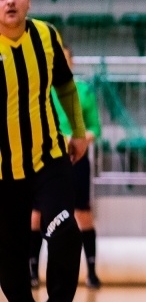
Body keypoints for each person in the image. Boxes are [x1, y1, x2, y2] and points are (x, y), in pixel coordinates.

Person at [0, 0, 87, 302]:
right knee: (10, 248)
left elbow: (66, 86)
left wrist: (79, 132)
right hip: (3, 169)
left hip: (49, 157)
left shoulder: (47, 36)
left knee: (65, 231)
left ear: (28, 0)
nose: (10, 1)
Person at [30, 44, 102, 289]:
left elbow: (95, 128)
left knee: (82, 213)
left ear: (71, 63)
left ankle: (91, 272)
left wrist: (79, 139)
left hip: (75, 158)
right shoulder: (40, 92)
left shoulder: (83, 91)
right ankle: (32, 271)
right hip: (46, 158)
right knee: (36, 215)